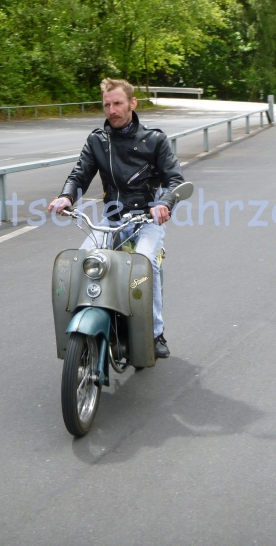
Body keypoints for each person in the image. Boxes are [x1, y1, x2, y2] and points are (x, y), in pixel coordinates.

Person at [48, 78, 185, 358]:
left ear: (132, 103)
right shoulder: (97, 140)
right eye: (107, 104)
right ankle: (83, 325)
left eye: (118, 103)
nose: (112, 110)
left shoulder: (155, 140)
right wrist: (67, 196)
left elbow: (174, 180)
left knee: (145, 266)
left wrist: (164, 204)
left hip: (146, 221)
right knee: (82, 261)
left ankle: (155, 332)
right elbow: (80, 174)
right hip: (111, 219)